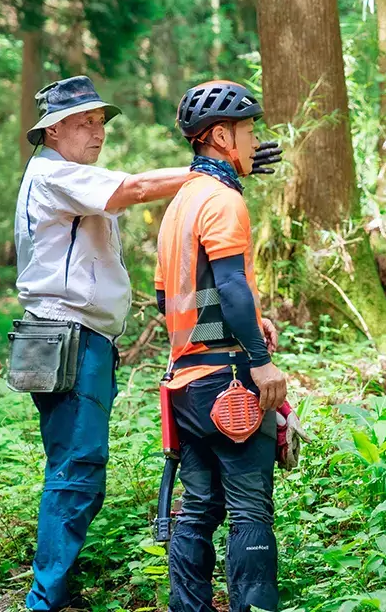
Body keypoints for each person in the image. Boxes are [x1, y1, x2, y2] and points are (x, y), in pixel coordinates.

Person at [15, 75, 194, 612]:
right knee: (78, 469)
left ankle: (57, 589)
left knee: (75, 467)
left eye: (99, 122)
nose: (97, 132)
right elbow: (134, 189)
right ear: (52, 131)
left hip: (76, 337)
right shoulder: (54, 174)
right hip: (68, 336)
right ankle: (44, 600)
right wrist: (212, 170)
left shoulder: (67, 175)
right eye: (82, 122)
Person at [155, 79, 286, 612]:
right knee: (250, 508)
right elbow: (230, 286)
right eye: (249, 130)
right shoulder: (223, 200)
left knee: (199, 509)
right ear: (220, 136)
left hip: (188, 382)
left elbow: (175, 297)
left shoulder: (182, 203)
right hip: (228, 382)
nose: (256, 140)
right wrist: (260, 360)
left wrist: (252, 321)